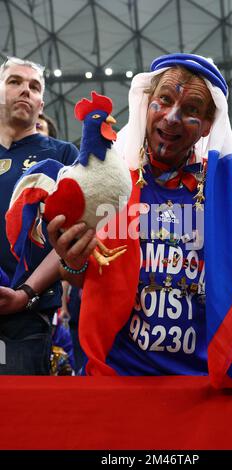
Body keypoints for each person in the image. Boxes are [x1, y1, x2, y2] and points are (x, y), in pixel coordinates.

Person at [48, 53, 232, 388]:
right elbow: (83, 274)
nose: (172, 117)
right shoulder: (110, 181)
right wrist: (71, 263)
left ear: (206, 125)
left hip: (199, 385)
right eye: (164, 100)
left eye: (191, 110)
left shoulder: (226, 193)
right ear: (147, 102)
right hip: (119, 379)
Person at [0, 56, 78, 375]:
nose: (25, 91)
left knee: (19, 420)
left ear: (41, 104)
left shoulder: (63, 156)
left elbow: (72, 240)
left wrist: (25, 293)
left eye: (34, 87)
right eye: (14, 82)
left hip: (26, 320)